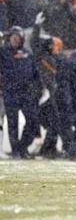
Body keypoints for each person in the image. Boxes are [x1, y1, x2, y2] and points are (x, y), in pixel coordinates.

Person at [0, 26, 41, 158]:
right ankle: (16, 150)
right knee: (13, 123)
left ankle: (22, 147)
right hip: (10, 91)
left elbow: (35, 72)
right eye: (13, 38)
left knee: (32, 120)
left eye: (18, 38)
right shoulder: (3, 52)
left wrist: (38, 87)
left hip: (26, 92)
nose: (15, 40)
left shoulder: (28, 53)